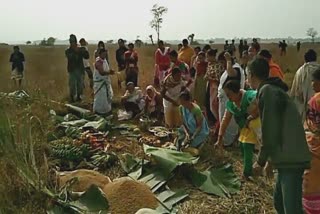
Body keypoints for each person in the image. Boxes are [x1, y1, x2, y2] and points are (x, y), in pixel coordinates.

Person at [248, 58, 311, 214]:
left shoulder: (267, 91)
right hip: (285, 157)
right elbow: (278, 126)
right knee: (279, 204)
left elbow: (270, 128)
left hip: (291, 159)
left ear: (251, 75)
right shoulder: (272, 90)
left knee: (291, 209)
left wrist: (261, 161)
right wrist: (271, 160)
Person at [215, 80, 259, 180]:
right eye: (226, 95)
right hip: (246, 128)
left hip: (257, 125)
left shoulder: (249, 96)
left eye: (229, 94)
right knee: (243, 147)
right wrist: (220, 138)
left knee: (247, 146)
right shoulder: (231, 104)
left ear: (237, 92)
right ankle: (253, 168)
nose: (228, 97)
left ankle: (247, 174)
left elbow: (261, 99)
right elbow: (225, 120)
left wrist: (252, 115)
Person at [217, 51, 245, 146]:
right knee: (224, 120)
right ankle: (224, 140)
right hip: (225, 99)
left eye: (222, 62)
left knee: (230, 122)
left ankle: (229, 141)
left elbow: (231, 74)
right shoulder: (228, 69)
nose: (222, 65)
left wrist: (228, 60)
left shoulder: (236, 68)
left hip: (231, 99)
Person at [303, 68, 320, 214]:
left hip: (315, 150)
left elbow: (312, 126)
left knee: (311, 188)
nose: (312, 84)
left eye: (314, 81)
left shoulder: (316, 100)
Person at [291, 49, 320, 123]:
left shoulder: (300, 71)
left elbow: (294, 92)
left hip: (303, 109)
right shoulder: (318, 70)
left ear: (305, 59)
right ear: (315, 58)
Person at [65, 34, 89, 102]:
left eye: (73, 41)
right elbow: (70, 57)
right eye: (71, 41)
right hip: (72, 70)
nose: (72, 43)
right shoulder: (68, 50)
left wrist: (83, 50)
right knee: (72, 85)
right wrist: (77, 51)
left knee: (80, 85)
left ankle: (79, 97)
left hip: (80, 70)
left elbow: (87, 56)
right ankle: (72, 98)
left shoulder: (81, 49)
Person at [205, 49, 224, 124]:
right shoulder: (209, 64)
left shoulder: (218, 65)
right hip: (209, 85)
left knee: (214, 105)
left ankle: (218, 121)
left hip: (215, 86)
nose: (207, 59)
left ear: (212, 56)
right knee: (208, 103)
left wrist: (210, 78)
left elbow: (219, 78)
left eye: (208, 57)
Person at [93, 49, 115, 115]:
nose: (104, 55)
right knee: (100, 98)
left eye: (105, 54)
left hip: (105, 82)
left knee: (107, 97)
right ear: (100, 54)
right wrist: (109, 72)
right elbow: (102, 72)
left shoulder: (104, 61)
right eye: (103, 54)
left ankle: (107, 110)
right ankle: (99, 111)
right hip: (100, 83)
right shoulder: (98, 62)